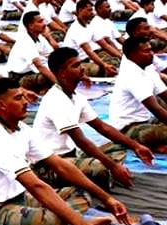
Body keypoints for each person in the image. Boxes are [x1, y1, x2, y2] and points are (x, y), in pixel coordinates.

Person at [0, 78, 131, 225]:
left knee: (80, 194)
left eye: (23, 97)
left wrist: (107, 198)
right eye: (18, 98)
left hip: (21, 197)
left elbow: (60, 165)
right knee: (55, 220)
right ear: (2, 105)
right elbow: (36, 186)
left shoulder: (21, 129)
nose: (26, 102)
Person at [32, 48, 153, 191]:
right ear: (61, 72)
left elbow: (102, 127)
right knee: (101, 167)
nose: (82, 68)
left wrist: (136, 146)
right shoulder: (56, 100)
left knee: (118, 147)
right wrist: (113, 166)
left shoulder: (75, 96)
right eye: (76, 66)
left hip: (71, 155)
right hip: (51, 164)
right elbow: (80, 140)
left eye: (81, 64)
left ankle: (100, 174)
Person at [108, 37, 167, 152]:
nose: (151, 54)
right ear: (132, 54)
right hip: (128, 129)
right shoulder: (131, 75)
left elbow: (164, 95)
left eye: (151, 50)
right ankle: (154, 145)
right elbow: (155, 108)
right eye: (146, 51)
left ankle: (157, 146)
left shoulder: (148, 68)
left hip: (146, 121)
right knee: (161, 132)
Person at [61, 0, 118, 79]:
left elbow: (105, 45)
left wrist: (122, 56)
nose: (92, 12)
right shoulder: (76, 28)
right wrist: (105, 65)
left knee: (116, 60)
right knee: (103, 69)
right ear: (80, 10)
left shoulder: (88, 26)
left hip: (86, 60)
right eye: (89, 10)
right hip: (74, 64)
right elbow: (89, 51)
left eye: (92, 10)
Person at [6, 11, 57, 93]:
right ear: (30, 25)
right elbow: (39, 66)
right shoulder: (25, 41)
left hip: (31, 72)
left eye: (43, 21)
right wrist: (59, 84)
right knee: (45, 76)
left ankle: (45, 89)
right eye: (40, 22)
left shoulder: (39, 37)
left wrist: (49, 36)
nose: (44, 24)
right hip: (18, 77)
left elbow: (53, 55)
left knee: (59, 68)